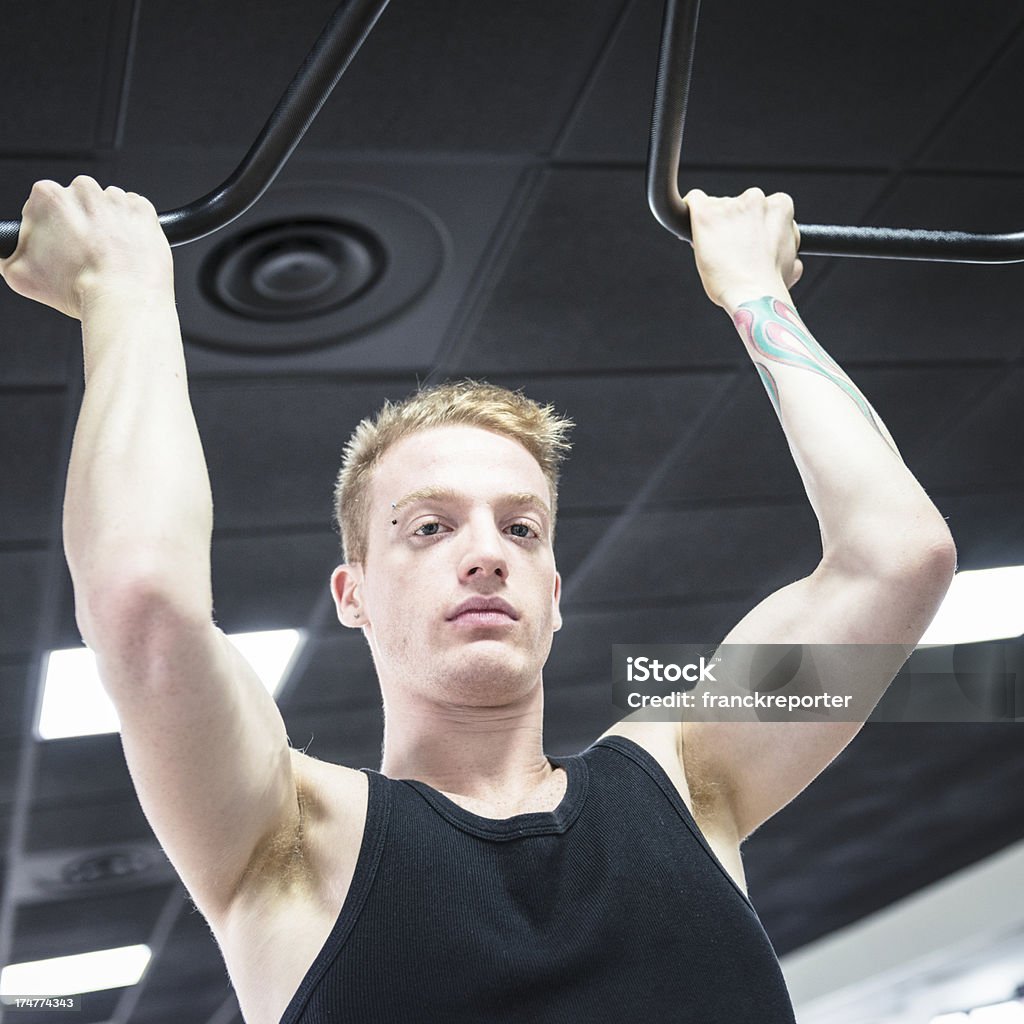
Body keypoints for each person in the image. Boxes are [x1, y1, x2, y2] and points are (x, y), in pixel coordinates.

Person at [0, 176, 956, 1024]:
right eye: (429, 526)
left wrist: (757, 294)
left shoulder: (688, 780)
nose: (487, 554)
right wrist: (121, 295)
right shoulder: (285, 838)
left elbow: (897, 559)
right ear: (354, 592)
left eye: (522, 528)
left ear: (554, 591)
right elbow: (144, 603)